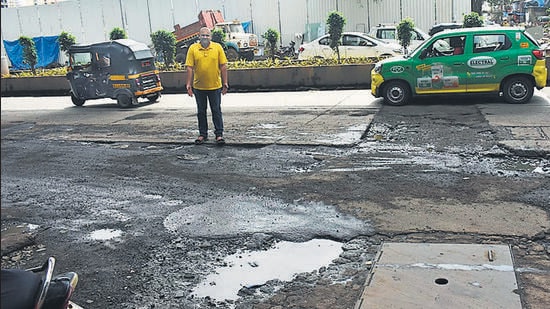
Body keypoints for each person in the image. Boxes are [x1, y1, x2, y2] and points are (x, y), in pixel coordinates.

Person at [185, 27, 229, 145]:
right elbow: (189, 67)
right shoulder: (193, 48)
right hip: (199, 87)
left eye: (207, 35)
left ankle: (219, 134)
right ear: (199, 36)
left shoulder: (217, 47)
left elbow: (223, 66)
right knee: (201, 112)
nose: (205, 37)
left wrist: (225, 83)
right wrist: (188, 84)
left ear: (211, 37)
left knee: (216, 111)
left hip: (215, 86)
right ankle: (202, 134)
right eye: (203, 35)